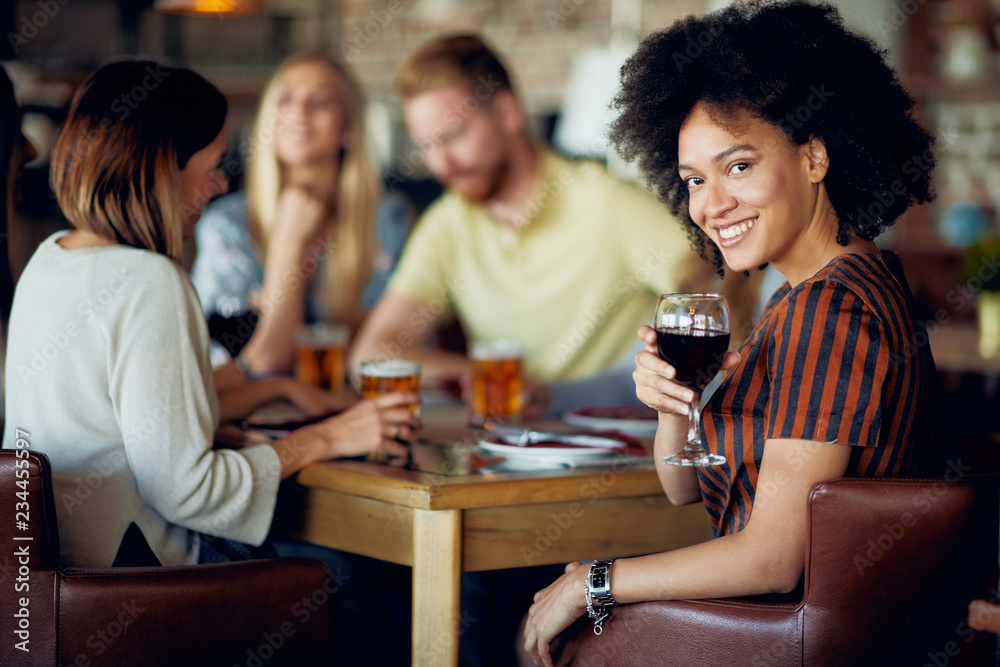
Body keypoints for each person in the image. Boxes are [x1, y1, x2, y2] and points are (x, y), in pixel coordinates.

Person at [522, 2, 938, 664]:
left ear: (814, 156)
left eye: (738, 165)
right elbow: (684, 486)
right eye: (693, 179)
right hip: (789, 622)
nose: (710, 204)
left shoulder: (829, 311)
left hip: (790, 634)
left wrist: (594, 581)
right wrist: (671, 409)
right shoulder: (845, 283)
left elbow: (773, 558)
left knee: (544, 622)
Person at [1, 60, 419, 568]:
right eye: (213, 165)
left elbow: (131, 423)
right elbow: (189, 491)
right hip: (142, 573)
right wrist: (331, 436)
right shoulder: (149, 280)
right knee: (358, 577)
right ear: (164, 169)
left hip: (61, 575)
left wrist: (270, 394)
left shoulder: (48, 260)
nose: (220, 185)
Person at [349, 33, 704, 417]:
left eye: (453, 137)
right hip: (512, 452)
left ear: (506, 112)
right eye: (427, 146)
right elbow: (369, 357)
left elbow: (707, 287)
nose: (440, 165)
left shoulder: (603, 199)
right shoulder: (446, 225)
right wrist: (493, 377)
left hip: (619, 444)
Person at [190, 50, 412, 377]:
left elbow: (382, 349)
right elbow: (262, 361)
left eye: (321, 102)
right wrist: (289, 242)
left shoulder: (387, 219)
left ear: (348, 126)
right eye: (286, 98)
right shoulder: (226, 226)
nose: (299, 112)